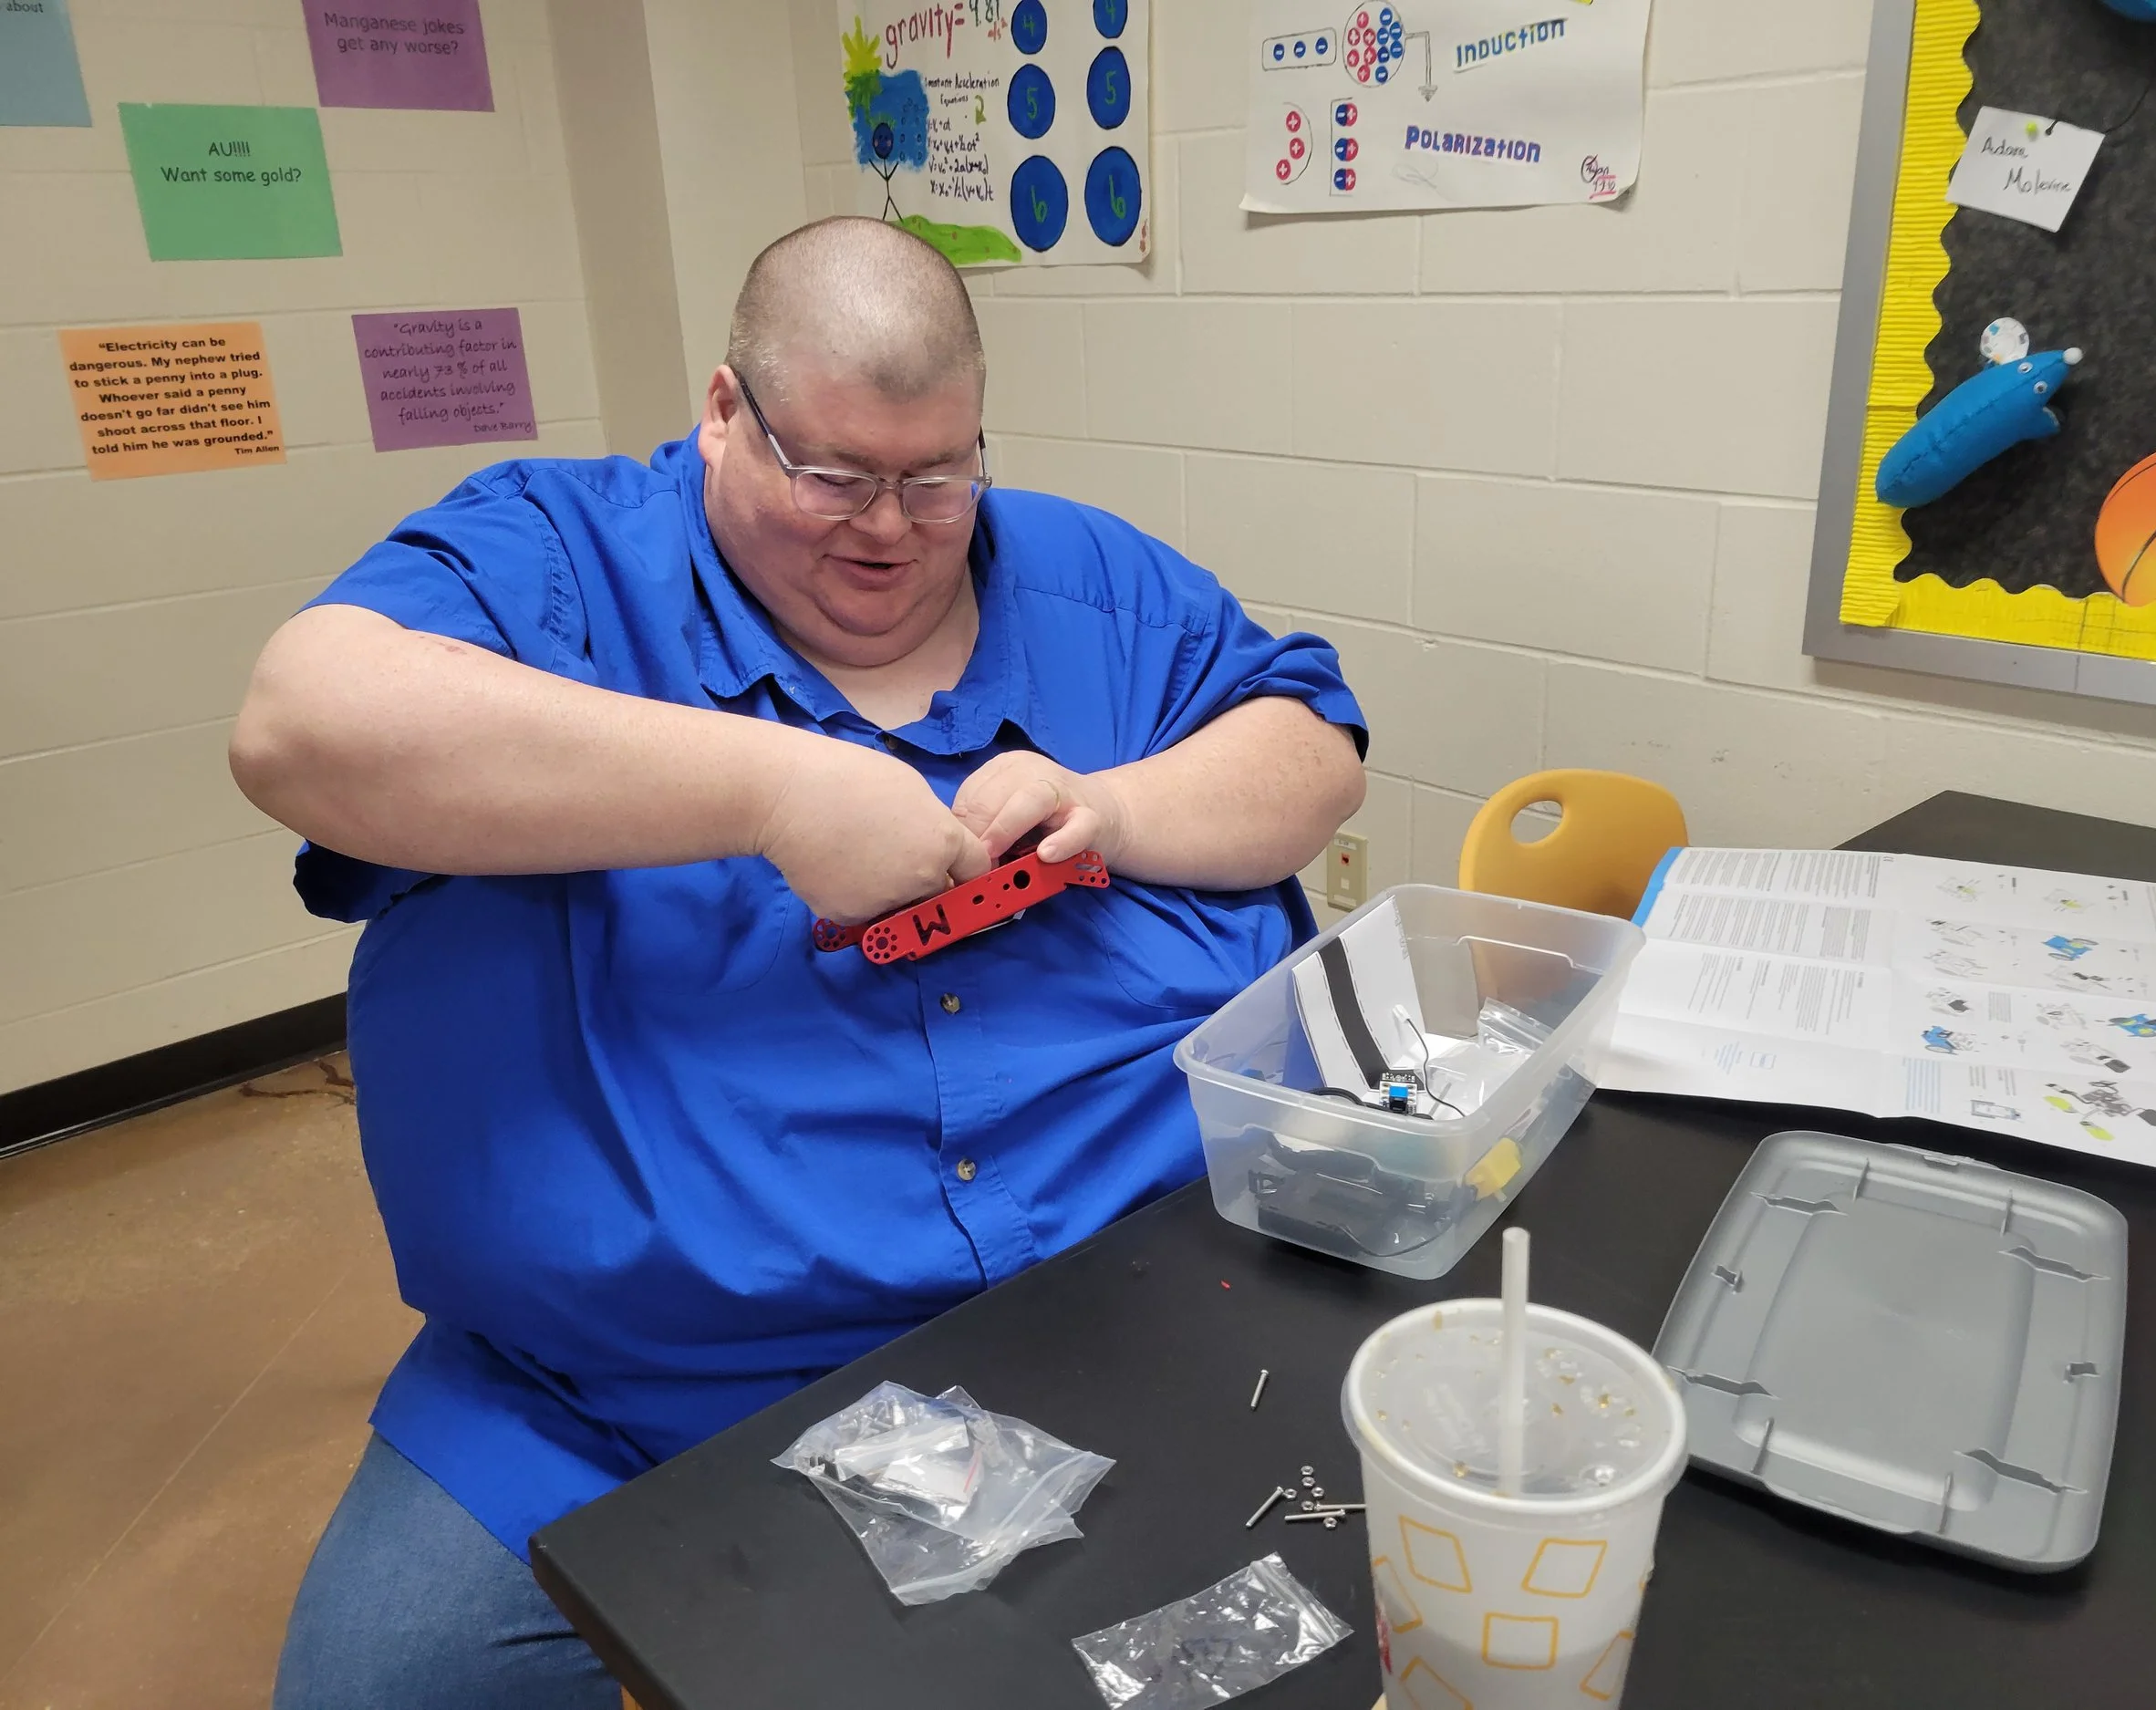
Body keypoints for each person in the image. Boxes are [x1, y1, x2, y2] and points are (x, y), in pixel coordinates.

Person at [232, 216, 1366, 1708]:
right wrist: (771, 789)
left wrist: (1118, 808)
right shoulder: (558, 559)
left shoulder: (1088, 573)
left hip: (1118, 1311)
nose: (889, 528)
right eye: (832, 475)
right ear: (724, 412)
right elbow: (299, 726)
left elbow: (1312, 749)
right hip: (636, 1390)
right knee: (384, 1685)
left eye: (938, 476)